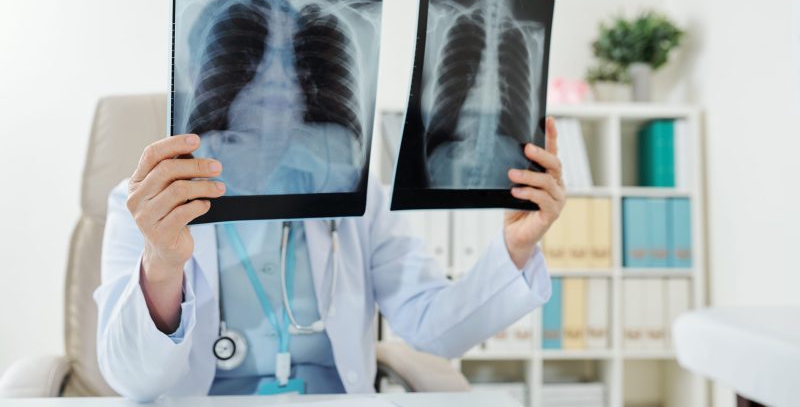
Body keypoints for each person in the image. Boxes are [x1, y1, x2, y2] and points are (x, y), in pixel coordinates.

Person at [93, 116, 565, 401]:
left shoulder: (355, 193)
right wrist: (161, 260)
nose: (273, 93)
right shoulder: (148, 201)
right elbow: (135, 380)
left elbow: (433, 326)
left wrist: (516, 248)